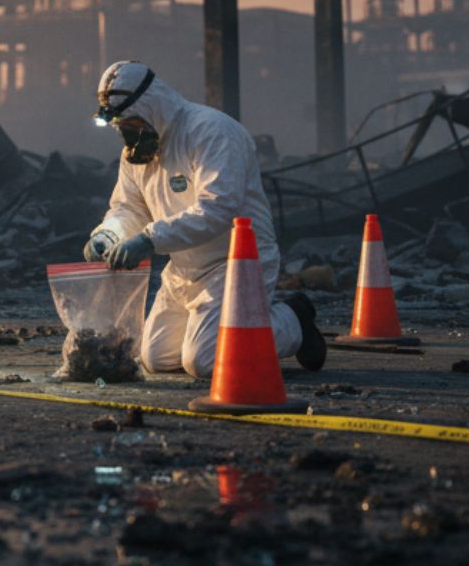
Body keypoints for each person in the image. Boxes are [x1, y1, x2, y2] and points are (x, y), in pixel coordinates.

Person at [82, 60, 325, 377]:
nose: (127, 137)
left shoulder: (211, 131)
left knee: (205, 361)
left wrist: (149, 239)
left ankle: (293, 320)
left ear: (153, 109)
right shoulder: (139, 153)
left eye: (131, 126)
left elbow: (218, 208)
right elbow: (129, 207)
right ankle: (220, 331)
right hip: (185, 268)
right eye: (121, 129)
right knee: (156, 358)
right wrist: (109, 234)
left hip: (236, 263)